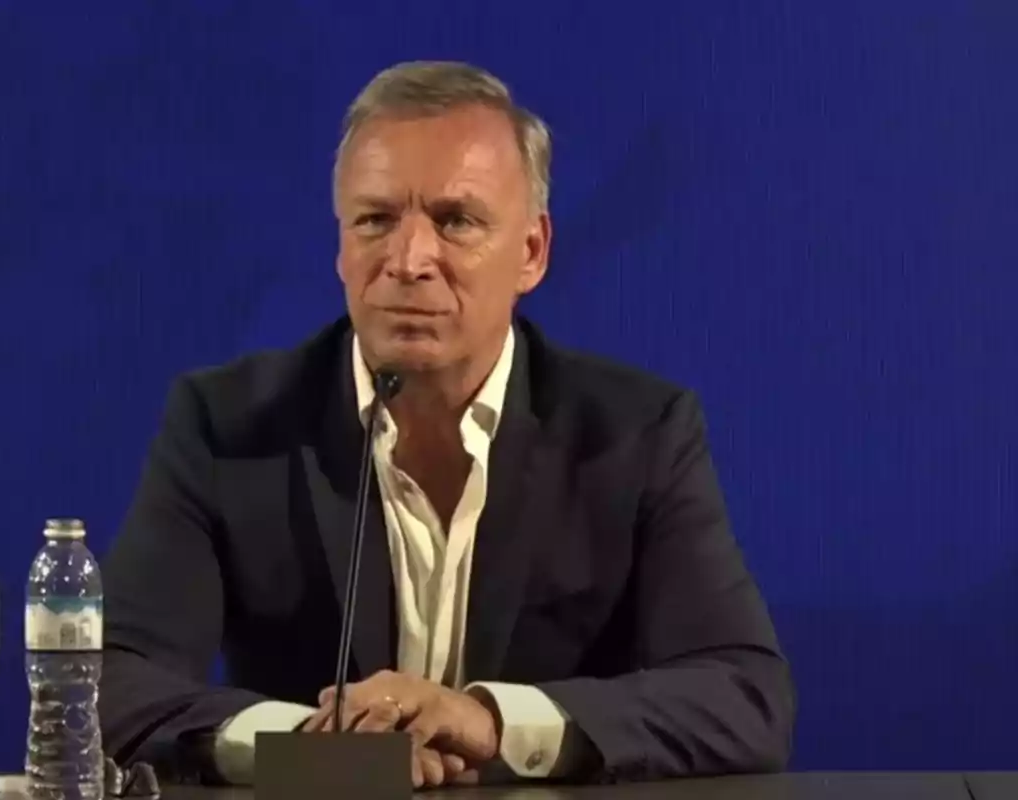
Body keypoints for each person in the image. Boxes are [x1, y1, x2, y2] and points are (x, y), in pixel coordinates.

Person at [99, 60, 795, 788]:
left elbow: (744, 697)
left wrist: (494, 723)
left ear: (531, 252)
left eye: (455, 221)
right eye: (374, 220)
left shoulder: (635, 434)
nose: (408, 260)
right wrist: (310, 745)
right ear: (340, 247)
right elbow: (109, 686)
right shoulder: (229, 427)